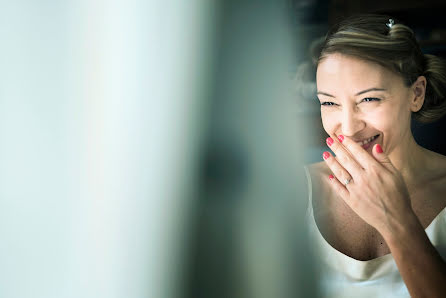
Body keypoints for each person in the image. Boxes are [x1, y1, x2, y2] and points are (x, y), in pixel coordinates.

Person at [303, 14, 446, 297]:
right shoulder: (291, 187)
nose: (348, 127)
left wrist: (396, 220)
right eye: (329, 102)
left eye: (369, 99)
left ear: (416, 94)